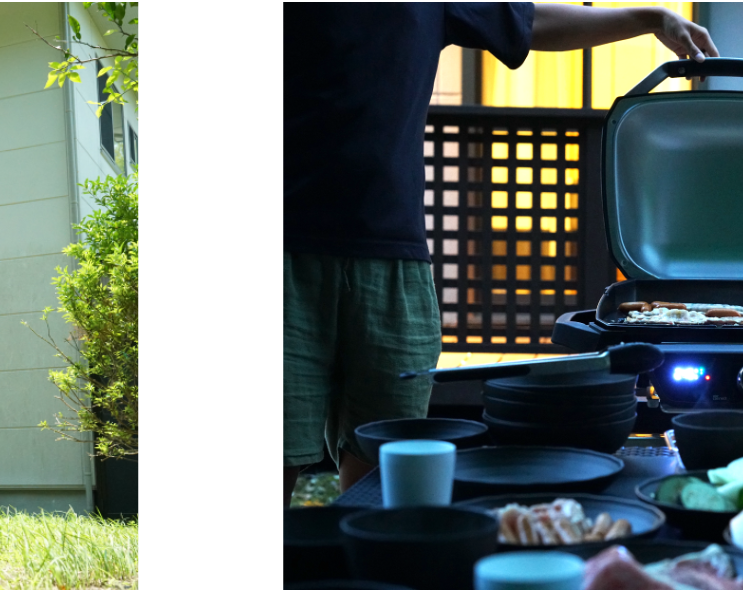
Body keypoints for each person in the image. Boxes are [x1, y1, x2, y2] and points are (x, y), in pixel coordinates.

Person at [283, 2, 718, 506]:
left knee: (384, 473)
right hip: (289, 256)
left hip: (395, 260)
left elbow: (531, 22)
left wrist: (648, 19)